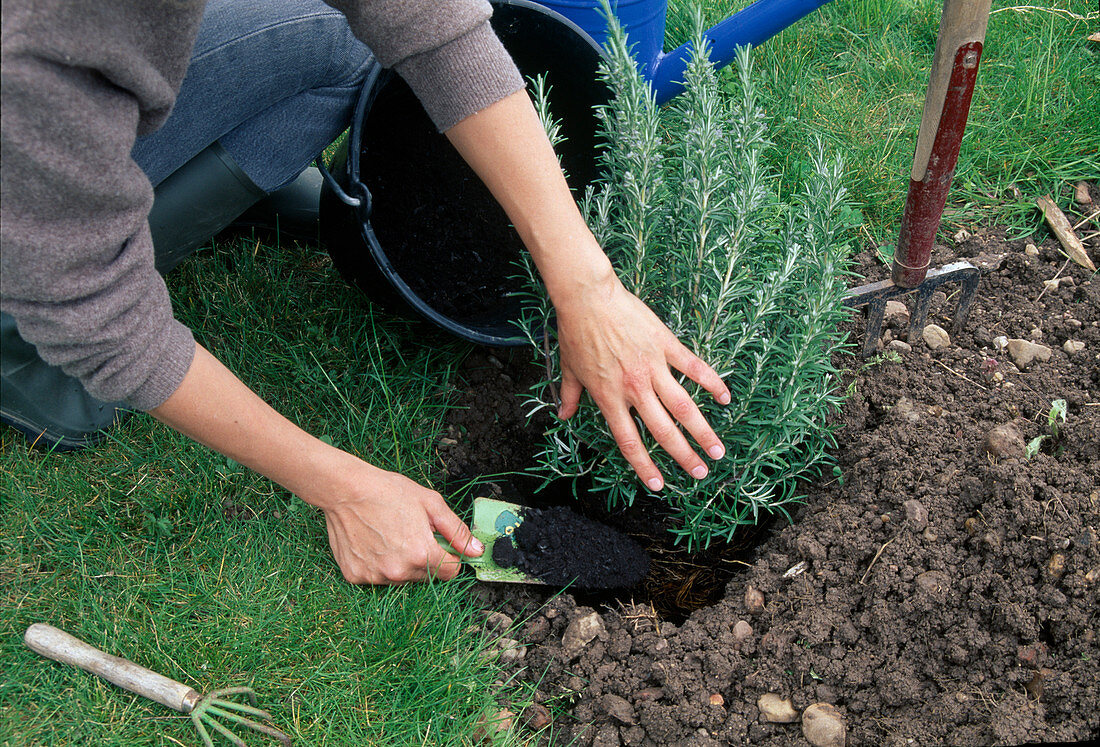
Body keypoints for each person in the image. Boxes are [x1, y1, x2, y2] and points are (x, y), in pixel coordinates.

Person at [1, 0, 731, 585]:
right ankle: (20, 355)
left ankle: (188, 185)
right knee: (55, 270)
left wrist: (589, 287)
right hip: (23, 177)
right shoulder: (48, 40)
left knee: (339, 41)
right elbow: (85, 299)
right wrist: (343, 487)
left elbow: (428, 23)